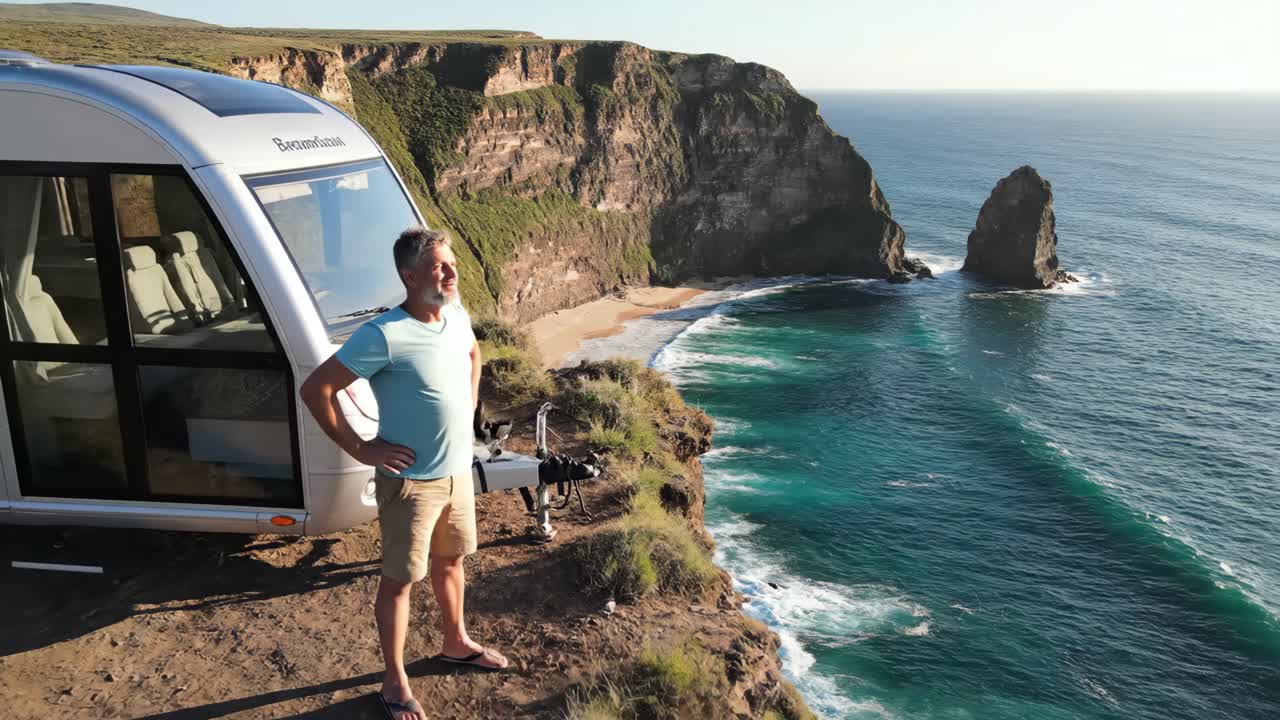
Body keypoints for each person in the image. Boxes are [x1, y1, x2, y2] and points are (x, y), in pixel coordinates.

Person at [300, 227, 508, 720]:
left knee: (452, 562)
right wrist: (363, 447)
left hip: (458, 472)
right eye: (440, 266)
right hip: (412, 483)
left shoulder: (455, 315)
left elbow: (474, 353)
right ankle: (394, 683)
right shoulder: (383, 334)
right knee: (399, 581)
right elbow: (317, 390)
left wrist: (470, 402)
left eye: (452, 263)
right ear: (410, 275)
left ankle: (455, 641)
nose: (452, 273)